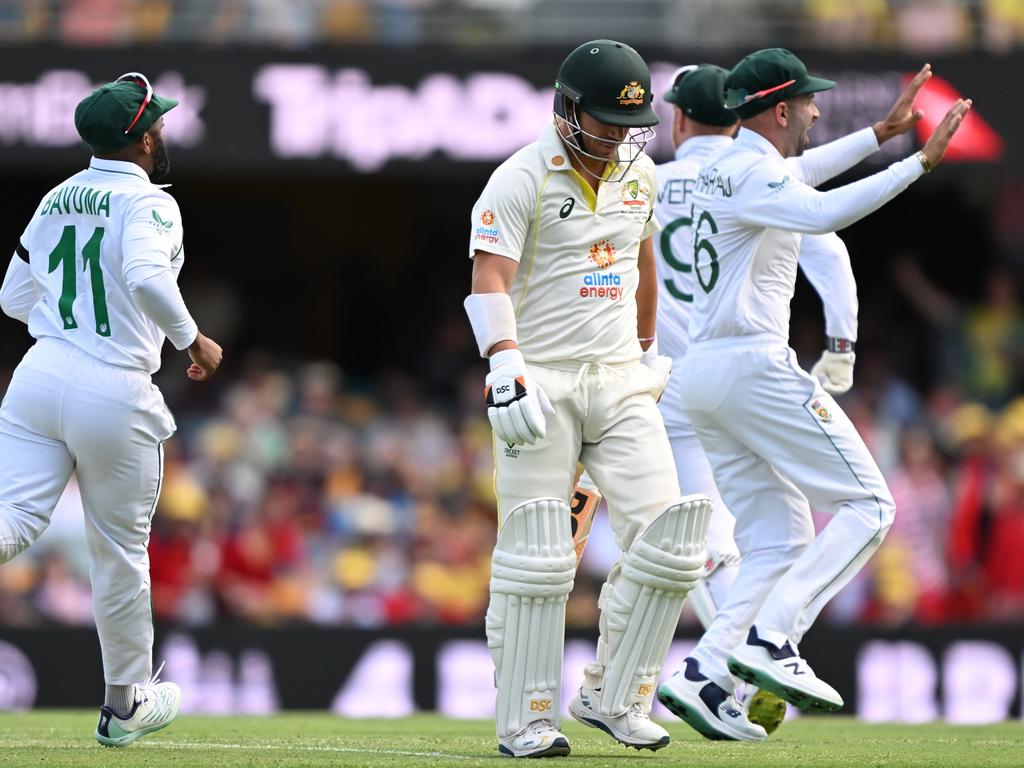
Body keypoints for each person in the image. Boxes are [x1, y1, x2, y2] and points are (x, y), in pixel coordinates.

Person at [659, 48, 969, 722]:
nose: (818, 110)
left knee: (778, 538)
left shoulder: (722, 166)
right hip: (752, 366)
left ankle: (705, 674)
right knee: (869, 506)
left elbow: (802, 172)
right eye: (807, 102)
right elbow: (823, 216)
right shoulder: (751, 174)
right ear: (778, 109)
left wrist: (881, 137)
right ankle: (774, 637)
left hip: (700, 376)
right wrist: (914, 165)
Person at [573, 62, 864, 741]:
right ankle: (733, 672)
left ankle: (694, 678)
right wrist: (842, 347)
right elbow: (832, 258)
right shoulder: (750, 178)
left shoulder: (645, 182)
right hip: (743, 379)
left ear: (677, 121)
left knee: (694, 550)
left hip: (658, 390)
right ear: (740, 120)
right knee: (767, 539)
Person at [464, 40, 711, 758]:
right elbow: (490, 276)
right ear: (567, 109)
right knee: (538, 556)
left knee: (672, 537)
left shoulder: (641, 174)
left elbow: (642, 259)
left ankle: (614, 694)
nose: (615, 138)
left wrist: (644, 346)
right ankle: (527, 720)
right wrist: (503, 360)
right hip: (538, 381)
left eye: (627, 125)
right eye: (602, 122)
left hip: (619, 379)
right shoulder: (518, 178)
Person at [0, 72, 222, 746]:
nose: (164, 130)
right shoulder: (151, 203)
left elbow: (13, 295)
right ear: (144, 137)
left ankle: (128, 701)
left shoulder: (57, 195)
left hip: (39, 375)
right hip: (115, 384)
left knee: (10, 518)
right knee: (119, 551)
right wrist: (195, 340)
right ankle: (125, 704)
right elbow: (147, 276)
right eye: (158, 123)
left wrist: (66, 332)